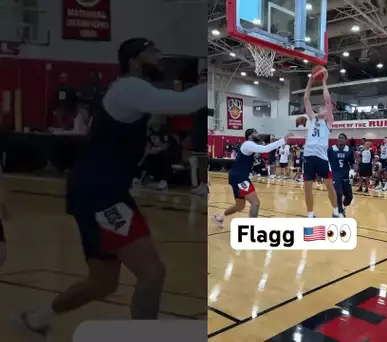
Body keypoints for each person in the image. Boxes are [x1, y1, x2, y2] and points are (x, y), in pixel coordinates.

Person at [16, 38, 208, 335]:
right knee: (152, 272)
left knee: (102, 282)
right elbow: (184, 103)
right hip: (100, 194)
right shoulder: (129, 88)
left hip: (95, 190)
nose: (159, 57)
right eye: (152, 52)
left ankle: (38, 317)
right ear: (134, 60)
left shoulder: (131, 91)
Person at [211, 129, 292, 228]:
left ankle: (219, 217)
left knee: (240, 206)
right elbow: (266, 149)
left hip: (237, 176)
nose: (258, 134)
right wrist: (283, 140)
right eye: (255, 133)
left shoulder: (248, 145)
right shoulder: (248, 144)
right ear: (249, 136)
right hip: (240, 177)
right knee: (255, 202)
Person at [302, 75, 342, 218]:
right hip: (308, 155)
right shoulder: (312, 119)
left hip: (322, 157)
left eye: (324, 108)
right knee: (307, 186)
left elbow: (327, 101)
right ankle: (310, 213)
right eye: (319, 108)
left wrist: (324, 81)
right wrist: (310, 82)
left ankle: (336, 210)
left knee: (329, 185)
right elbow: (306, 99)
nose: (321, 109)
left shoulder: (328, 122)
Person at [328, 133, 355, 216]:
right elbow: (325, 160)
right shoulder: (331, 149)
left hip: (346, 174)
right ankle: (339, 212)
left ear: (345, 140)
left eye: (342, 138)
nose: (340, 139)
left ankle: (342, 206)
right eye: (339, 137)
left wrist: (354, 172)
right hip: (335, 174)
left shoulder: (349, 150)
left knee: (349, 196)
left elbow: (352, 163)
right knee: (339, 193)